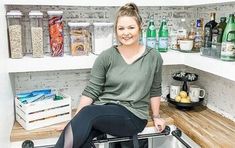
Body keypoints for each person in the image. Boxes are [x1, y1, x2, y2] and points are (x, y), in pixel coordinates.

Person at [55, 2, 165, 148]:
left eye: (131, 27)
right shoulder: (106, 56)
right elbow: (91, 91)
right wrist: (75, 121)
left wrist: (156, 116)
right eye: (121, 28)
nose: (126, 33)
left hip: (133, 115)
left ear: (140, 27)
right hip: (104, 111)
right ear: (116, 30)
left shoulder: (153, 57)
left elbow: (155, 89)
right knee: (83, 140)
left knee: (88, 114)